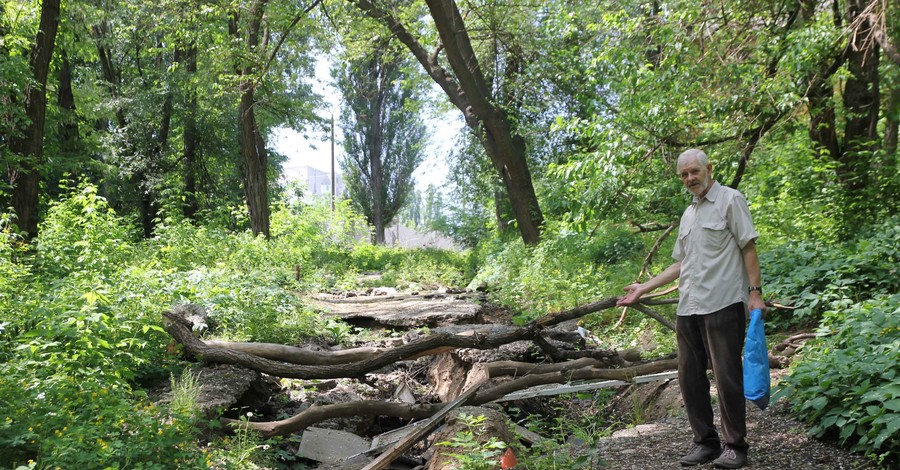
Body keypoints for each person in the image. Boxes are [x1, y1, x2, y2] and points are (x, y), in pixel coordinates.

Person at [617, 148, 764, 469]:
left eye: (694, 172)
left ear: (709, 168)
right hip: (689, 307)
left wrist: (755, 294)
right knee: (689, 378)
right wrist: (643, 287)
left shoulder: (730, 200)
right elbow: (681, 264)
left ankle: (735, 447)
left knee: (727, 377)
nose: (689, 179)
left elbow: (749, 247)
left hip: (723, 302)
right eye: (684, 175)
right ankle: (706, 443)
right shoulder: (689, 214)